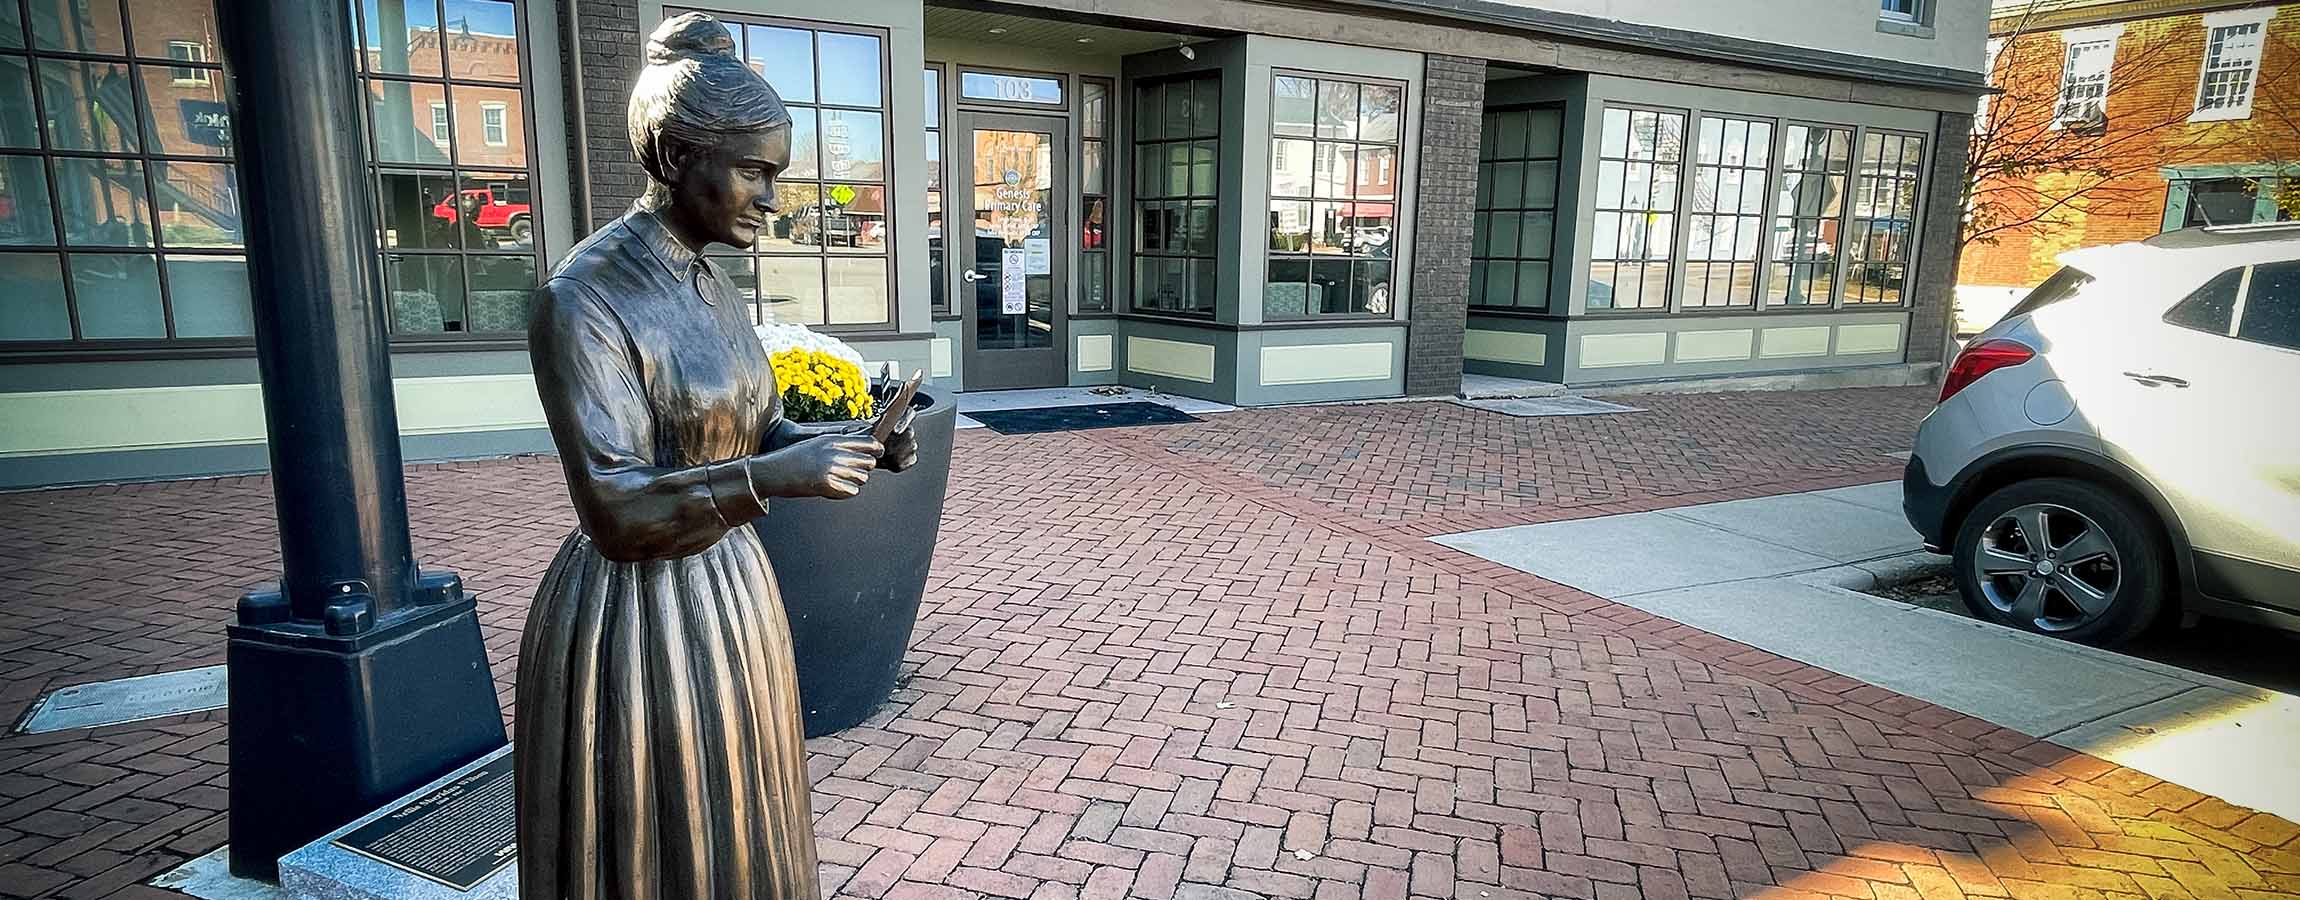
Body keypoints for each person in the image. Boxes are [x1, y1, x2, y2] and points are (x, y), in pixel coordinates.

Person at [516, 13, 916, 899]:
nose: (772, 197)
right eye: (754, 171)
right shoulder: (583, 299)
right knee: (658, 838)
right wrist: (775, 478)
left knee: (744, 816)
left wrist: (852, 444)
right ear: (672, 155)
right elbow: (616, 513)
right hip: (634, 620)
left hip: (731, 592)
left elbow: (762, 432)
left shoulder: (711, 283)